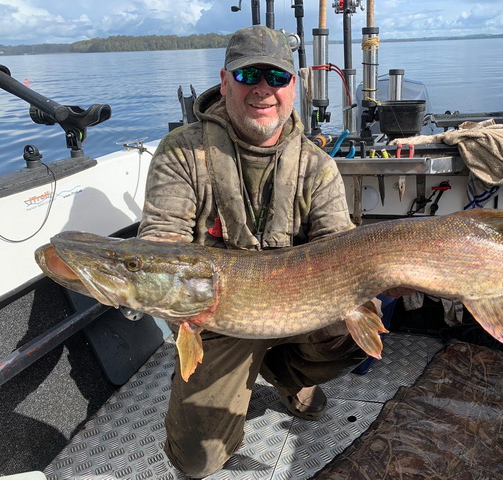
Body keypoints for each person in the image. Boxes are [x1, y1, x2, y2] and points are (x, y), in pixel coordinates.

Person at [137, 25, 371, 478]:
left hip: (303, 305)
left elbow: (339, 245)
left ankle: (287, 377)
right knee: (197, 462)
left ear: (293, 88)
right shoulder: (183, 153)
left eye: (277, 78)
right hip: (217, 320)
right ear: (225, 83)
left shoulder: (316, 165)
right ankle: (225, 382)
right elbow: (160, 244)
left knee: (356, 329)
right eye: (249, 76)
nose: (263, 88)